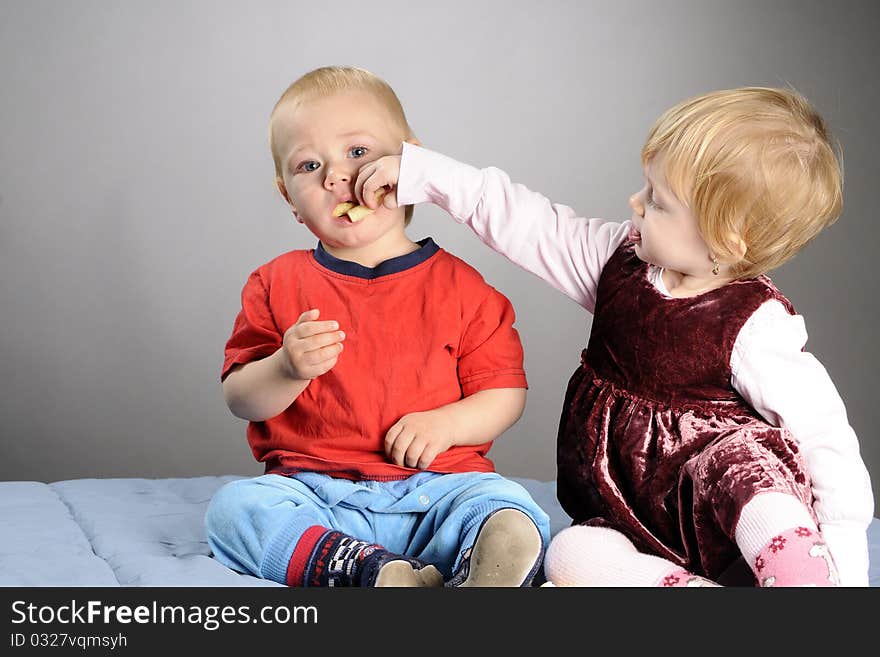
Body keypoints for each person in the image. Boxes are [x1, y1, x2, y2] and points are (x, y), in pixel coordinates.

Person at [353, 86, 874, 586]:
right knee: (570, 553)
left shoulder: (754, 324)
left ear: (726, 237)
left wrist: (848, 566)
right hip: (632, 514)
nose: (636, 203)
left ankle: (807, 583)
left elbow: (826, 443)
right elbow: (524, 220)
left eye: (658, 200)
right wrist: (423, 174)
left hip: (720, 518)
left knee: (748, 471)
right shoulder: (618, 263)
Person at [205, 66, 550, 588]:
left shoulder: (464, 288)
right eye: (309, 165)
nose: (335, 177)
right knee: (234, 511)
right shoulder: (276, 282)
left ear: (412, 164)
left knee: (507, 505)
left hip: (440, 490)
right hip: (316, 494)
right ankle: (369, 571)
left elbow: (504, 394)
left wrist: (446, 426)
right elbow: (240, 399)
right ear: (289, 197)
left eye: (358, 153)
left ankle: (490, 569)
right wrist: (285, 367)